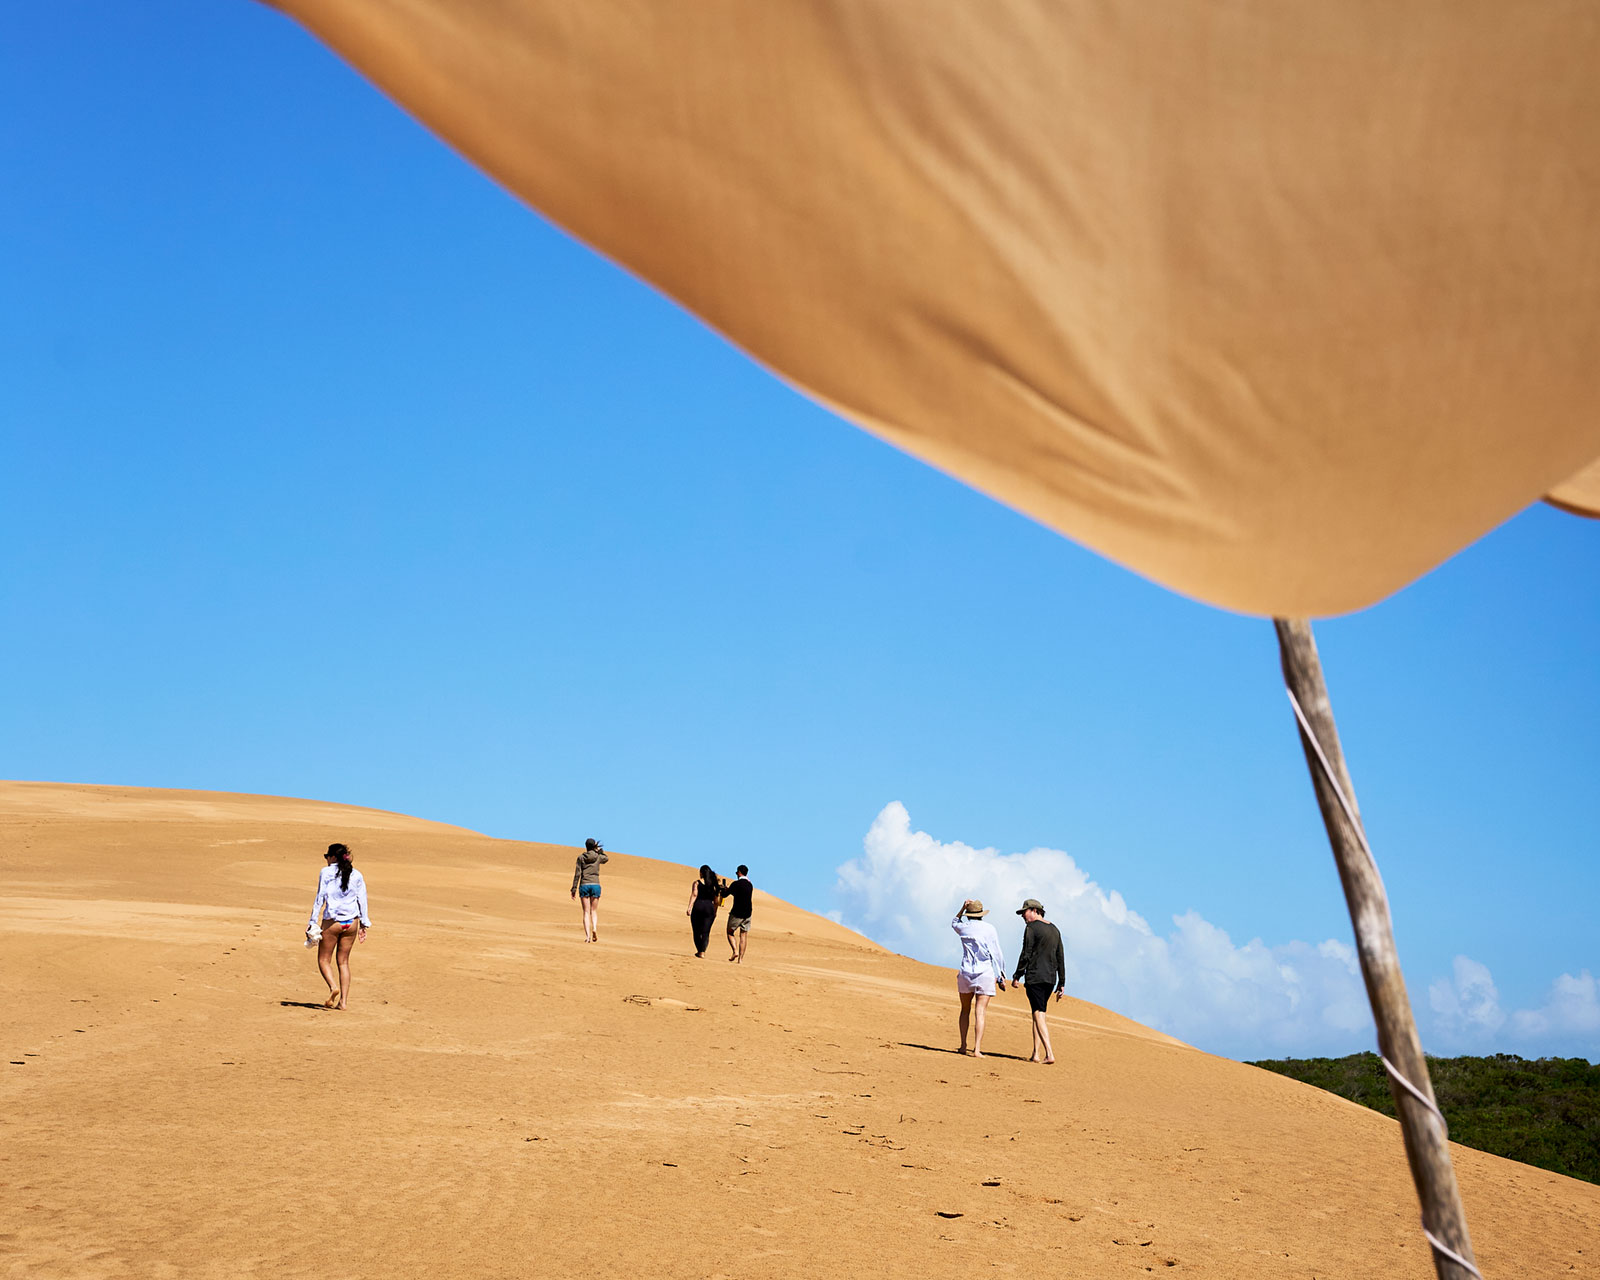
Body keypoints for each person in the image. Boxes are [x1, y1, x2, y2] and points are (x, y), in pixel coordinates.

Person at [307, 842, 370, 1010]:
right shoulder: (356, 874)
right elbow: (362, 899)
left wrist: (312, 922)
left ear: (333, 857)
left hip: (332, 922)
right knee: (343, 962)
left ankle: (333, 987)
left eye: (328, 856)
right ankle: (343, 1002)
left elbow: (320, 898)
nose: (327, 860)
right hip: (352, 922)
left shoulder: (326, 872)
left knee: (323, 959)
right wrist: (364, 923)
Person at [1012, 897, 1066, 1064]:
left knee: (1038, 1012)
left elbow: (1026, 953)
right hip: (1050, 978)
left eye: (1025, 912)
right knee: (1038, 1012)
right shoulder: (1055, 929)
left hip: (1035, 976)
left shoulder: (1031, 928)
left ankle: (1049, 1053)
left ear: (1035, 911)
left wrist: (1017, 975)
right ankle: (1036, 1053)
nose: (1023, 916)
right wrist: (1061, 982)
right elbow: (1060, 956)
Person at [951, 899, 1006, 1057]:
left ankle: (963, 1045)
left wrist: (962, 907)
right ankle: (976, 1049)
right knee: (980, 1012)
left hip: (966, 972)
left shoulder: (963, 928)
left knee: (965, 1010)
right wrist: (1001, 973)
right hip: (984, 973)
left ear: (968, 914)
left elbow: (954, 921)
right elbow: (997, 952)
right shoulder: (989, 928)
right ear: (981, 914)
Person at [571, 837, 608, 942]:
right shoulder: (598, 857)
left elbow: (577, 874)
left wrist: (573, 889)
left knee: (586, 912)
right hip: (595, 885)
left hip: (584, 885)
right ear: (594, 846)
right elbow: (606, 858)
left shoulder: (581, 858)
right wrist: (600, 851)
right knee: (594, 911)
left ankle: (587, 937)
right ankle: (595, 928)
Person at [685, 864, 723, 957]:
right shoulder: (714, 884)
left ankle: (699, 950)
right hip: (709, 907)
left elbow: (694, 894)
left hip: (698, 906)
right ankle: (702, 952)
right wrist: (715, 911)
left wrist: (689, 907)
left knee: (696, 931)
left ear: (701, 873)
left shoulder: (697, 883)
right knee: (706, 932)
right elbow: (716, 900)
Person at [722, 865, 754, 963]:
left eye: (736, 872)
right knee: (743, 936)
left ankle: (735, 951)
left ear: (739, 872)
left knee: (730, 932)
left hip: (737, 913)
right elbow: (741, 895)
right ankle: (740, 959)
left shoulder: (736, 884)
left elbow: (724, 895)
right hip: (748, 913)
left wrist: (725, 889)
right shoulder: (750, 885)